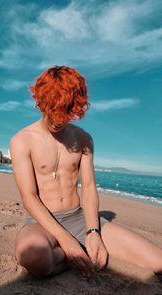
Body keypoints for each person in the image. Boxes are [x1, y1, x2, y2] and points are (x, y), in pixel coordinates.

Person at [10, 65, 162, 278]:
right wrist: (66, 240)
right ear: (41, 102)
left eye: (66, 111)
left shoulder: (83, 139)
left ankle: (77, 252)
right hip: (42, 222)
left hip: (80, 218)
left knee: (158, 262)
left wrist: (93, 232)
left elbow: (89, 188)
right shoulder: (21, 141)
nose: (58, 119)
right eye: (52, 109)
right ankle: (71, 255)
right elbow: (29, 197)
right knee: (33, 257)